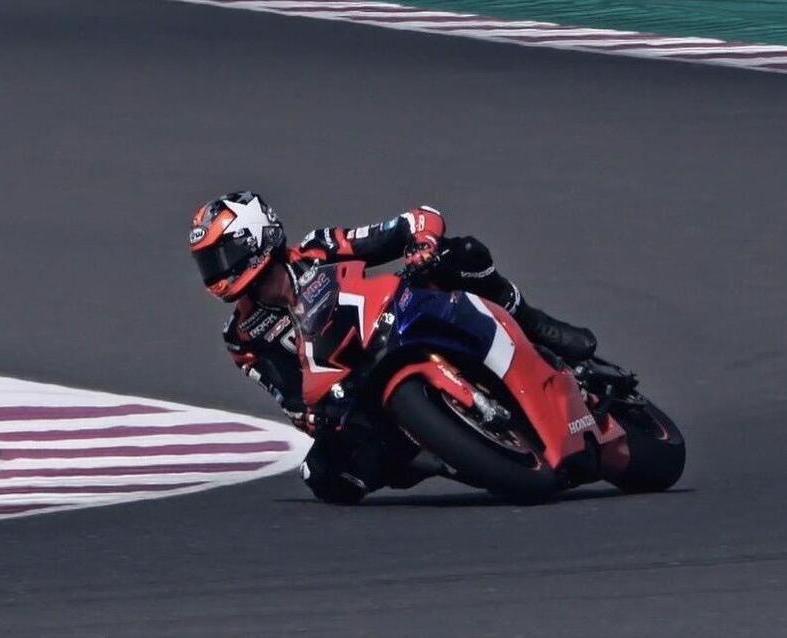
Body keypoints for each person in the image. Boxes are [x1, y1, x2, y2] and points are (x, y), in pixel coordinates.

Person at [190, 190, 597, 503]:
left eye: (222, 255)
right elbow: (288, 394)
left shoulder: (319, 249)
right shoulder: (242, 336)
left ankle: (534, 324)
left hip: (395, 321)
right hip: (353, 390)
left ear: (257, 238)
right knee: (322, 476)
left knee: (460, 254)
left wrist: (423, 244)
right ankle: (440, 454)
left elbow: (416, 220)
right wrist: (312, 417)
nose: (216, 271)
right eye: (208, 262)